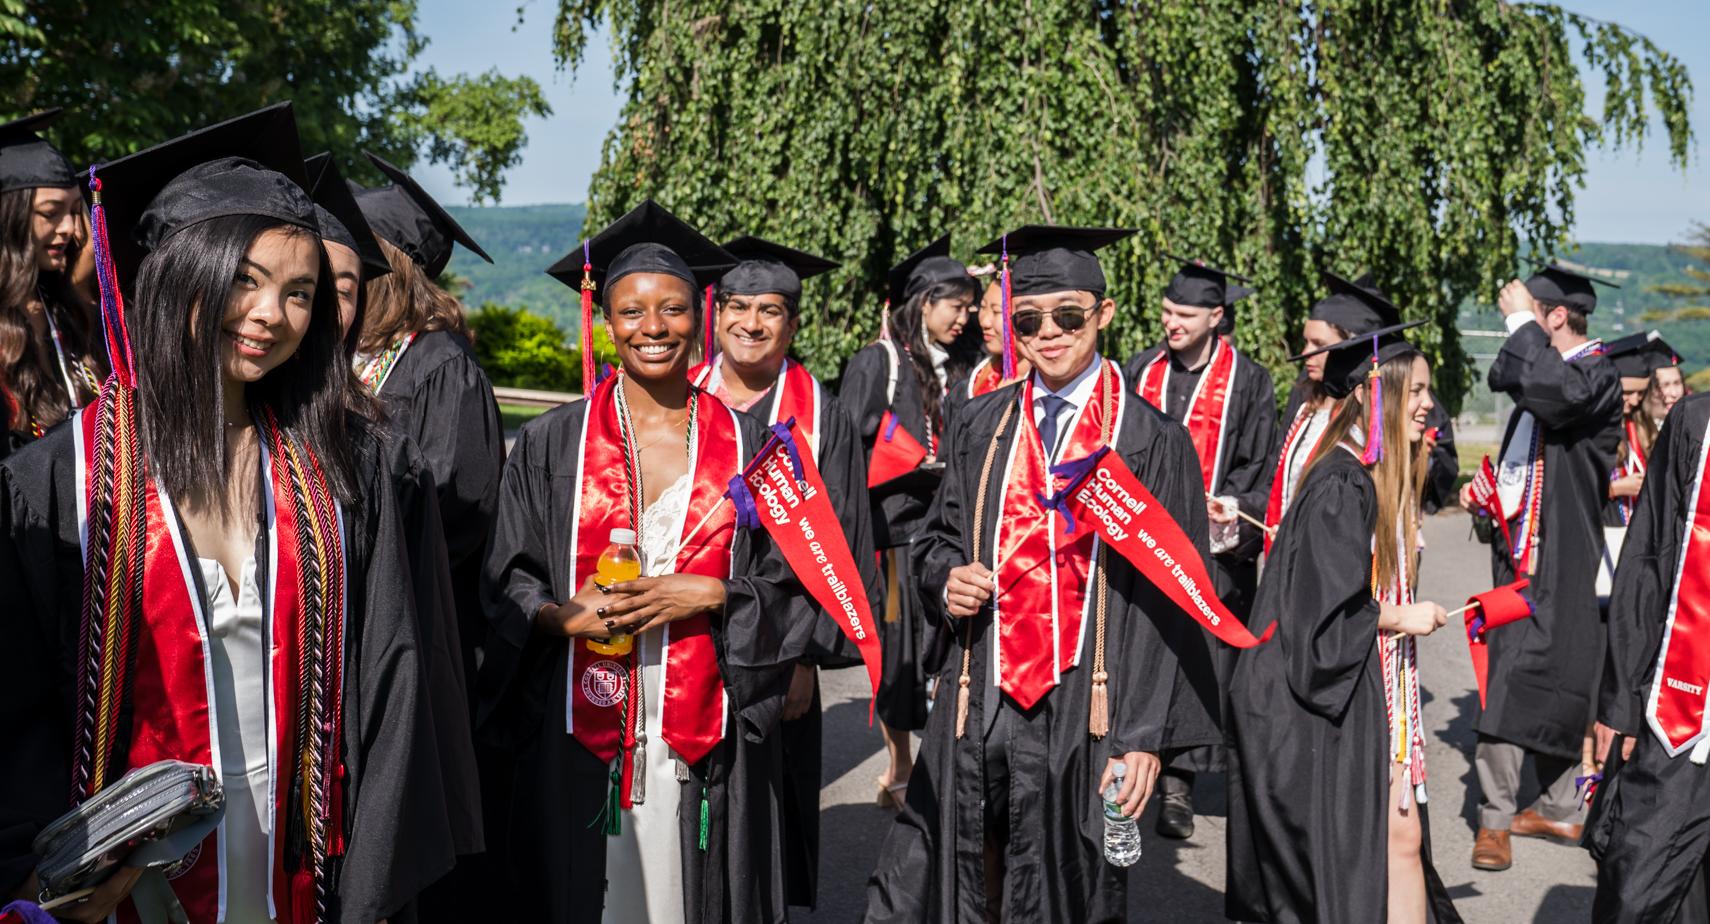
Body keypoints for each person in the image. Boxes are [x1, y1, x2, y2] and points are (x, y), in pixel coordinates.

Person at [0, 105, 458, 923]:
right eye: (243, 279)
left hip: (304, 854)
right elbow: (18, 708)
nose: (269, 316)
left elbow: (395, 684)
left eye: (299, 293)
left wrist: (373, 889)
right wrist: (46, 868)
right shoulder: (59, 483)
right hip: (133, 875)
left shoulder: (344, 469)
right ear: (179, 273)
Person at [864, 225, 1208, 923]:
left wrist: (1143, 737)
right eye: (1028, 320)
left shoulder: (1149, 442)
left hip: (1087, 700)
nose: (1048, 333)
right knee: (962, 858)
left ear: (1104, 315)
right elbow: (939, 538)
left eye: (1069, 316)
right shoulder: (980, 421)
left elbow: (1171, 601)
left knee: (1064, 881)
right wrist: (944, 578)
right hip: (982, 682)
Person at [480, 200, 807, 923]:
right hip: (579, 722)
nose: (652, 329)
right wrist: (558, 615)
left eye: (673, 310)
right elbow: (508, 571)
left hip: (704, 726)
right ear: (607, 320)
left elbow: (794, 585)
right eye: (631, 312)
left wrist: (717, 592)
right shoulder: (552, 443)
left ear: (702, 315)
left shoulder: (760, 449)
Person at [1227, 321, 1463, 924]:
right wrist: (1403, 615)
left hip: (1366, 683)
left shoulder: (1369, 474)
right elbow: (1325, 614)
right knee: (1367, 851)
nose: (1428, 404)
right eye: (1414, 392)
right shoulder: (1342, 482)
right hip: (1322, 696)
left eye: (1427, 392)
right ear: (1373, 393)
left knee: (1403, 839)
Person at [690, 233, 884, 909]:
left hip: (779, 651)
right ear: (716, 315)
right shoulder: (678, 399)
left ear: (793, 323)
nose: (752, 322)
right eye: (738, 306)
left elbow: (846, 546)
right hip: (685, 633)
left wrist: (805, 658)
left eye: (770, 309)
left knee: (764, 809)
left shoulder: (823, 417)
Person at [1458, 262, 1623, 872]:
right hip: (1526, 554)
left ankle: (1500, 819)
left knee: (1538, 678)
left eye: (1532, 315)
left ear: (1555, 317)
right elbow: (1519, 377)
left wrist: (1520, 320)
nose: (1518, 330)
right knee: (1531, 674)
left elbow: (1558, 394)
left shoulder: (1597, 374)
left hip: (1565, 554)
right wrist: (1490, 502)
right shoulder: (1548, 374)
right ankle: (1547, 807)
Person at [1122, 255, 1275, 840]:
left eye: (1184, 314)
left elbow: (1260, 467)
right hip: (1144, 538)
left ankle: (1179, 782)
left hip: (1213, 548)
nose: (1172, 323)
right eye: (1166, 311)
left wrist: (1234, 508)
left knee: (1198, 660)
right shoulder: (1140, 371)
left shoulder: (1250, 381)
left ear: (1216, 316)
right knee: (1142, 648)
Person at [352, 152, 504, 710]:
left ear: (388, 266)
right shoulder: (347, 352)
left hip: (415, 621)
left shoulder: (441, 366)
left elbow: (462, 508)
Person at [837, 236, 978, 809]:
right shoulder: (880, 361)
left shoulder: (964, 366)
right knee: (899, 648)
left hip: (946, 530)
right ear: (924, 303)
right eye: (956, 307)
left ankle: (941, 764)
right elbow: (848, 441)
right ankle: (900, 768)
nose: (964, 318)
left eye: (970, 308)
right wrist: (904, 457)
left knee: (944, 649)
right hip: (893, 537)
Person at [1589, 389, 1710, 923]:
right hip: (1688, 710)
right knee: (1636, 881)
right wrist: (1622, 702)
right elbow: (1648, 560)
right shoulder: (1697, 422)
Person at [1264, 272, 1402, 540]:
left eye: (1319, 344)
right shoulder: (1305, 398)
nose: (1305, 353)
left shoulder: (1373, 413)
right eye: (1306, 341)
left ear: (1352, 347)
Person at [0, 108, 103, 457]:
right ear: (8, 216)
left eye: (75, 211)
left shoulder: (62, 310)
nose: (72, 229)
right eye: (50, 212)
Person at [943, 276, 1029, 430]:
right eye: (983, 307)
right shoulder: (969, 386)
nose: (984, 321)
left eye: (996, 311)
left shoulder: (1046, 394)